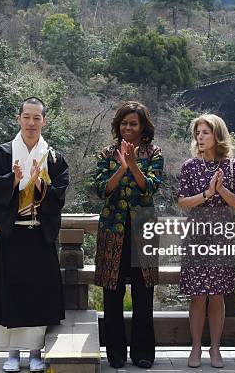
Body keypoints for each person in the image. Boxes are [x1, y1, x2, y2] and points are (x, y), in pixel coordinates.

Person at [0, 97, 69, 372]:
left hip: (39, 235)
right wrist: (13, 180)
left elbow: (60, 193)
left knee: (38, 294)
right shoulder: (1, 153)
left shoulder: (53, 157)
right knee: (11, 292)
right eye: (27, 117)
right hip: (13, 234)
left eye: (37, 117)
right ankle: (11, 353)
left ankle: (35, 352)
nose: (31, 123)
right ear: (18, 118)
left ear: (44, 120)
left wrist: (42, 182)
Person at [93, 101, 164, 369]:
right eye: (124, 123)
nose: (128, 128)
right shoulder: (106, 153)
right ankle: (116, 354)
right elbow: (101, 188)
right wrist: (121, 167)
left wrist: (134, 164)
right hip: (112, 231)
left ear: (143, 126)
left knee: (143, 294)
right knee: (112, 294)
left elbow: (150, 187)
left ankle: (143, 353)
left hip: (143, 232)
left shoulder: (154, 153)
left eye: (133, 123)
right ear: (117, 125)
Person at [177, 114, 235, 368]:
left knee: (217, 295)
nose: (200, 137)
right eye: (198, 133)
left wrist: (222, 190)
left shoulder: (232, 166)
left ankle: (216, 349)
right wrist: (207, 193)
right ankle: (195, 348)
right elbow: (183, 202)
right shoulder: (189, 166)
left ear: (217, 135)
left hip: (221, 236)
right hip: (195, 235)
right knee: (197, 295)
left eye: (205, 132)